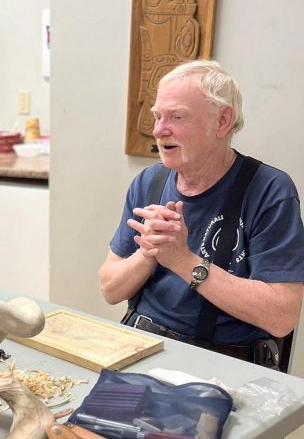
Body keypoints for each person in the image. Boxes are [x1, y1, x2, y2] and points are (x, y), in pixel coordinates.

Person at [100, 59, 304, 367]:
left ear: (222, 121)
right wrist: (150, 253)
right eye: (158, 117)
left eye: (176, 117)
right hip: (142, 347)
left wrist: (183, 260)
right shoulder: (149, 182)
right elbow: (111, 289)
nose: (158, 130)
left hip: (226, 363)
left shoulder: (270, 190)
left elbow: (281, 316)